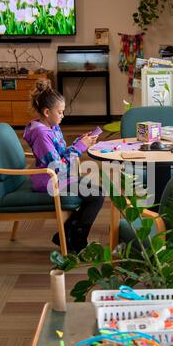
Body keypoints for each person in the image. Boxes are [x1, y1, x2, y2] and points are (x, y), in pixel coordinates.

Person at [23, 79, 104, 253]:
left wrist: (79, 142)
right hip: (50, 180)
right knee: (97, 195)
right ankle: (76, 239)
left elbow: (61, 153)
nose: (62, 115)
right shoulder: (41, 134)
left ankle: (66, 235)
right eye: (60, 112)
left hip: (60, 177)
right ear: (46, 112)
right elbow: (56, 165)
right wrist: (80, 147)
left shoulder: (52, 127)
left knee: (96, 193)